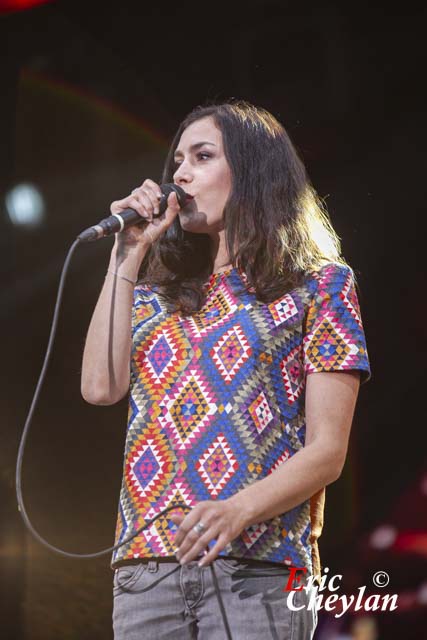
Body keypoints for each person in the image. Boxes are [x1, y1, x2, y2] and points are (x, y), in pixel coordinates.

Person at [81, 101, 371, 639]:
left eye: (202, 156)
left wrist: (237, 510)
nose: (180, 174)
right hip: (146, 571)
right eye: (178, 162)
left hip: (258, 568)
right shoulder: (153, 296)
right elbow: (100, 387)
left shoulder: (319, 286)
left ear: (254, 172)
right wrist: (126, 254)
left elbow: (328, 451)